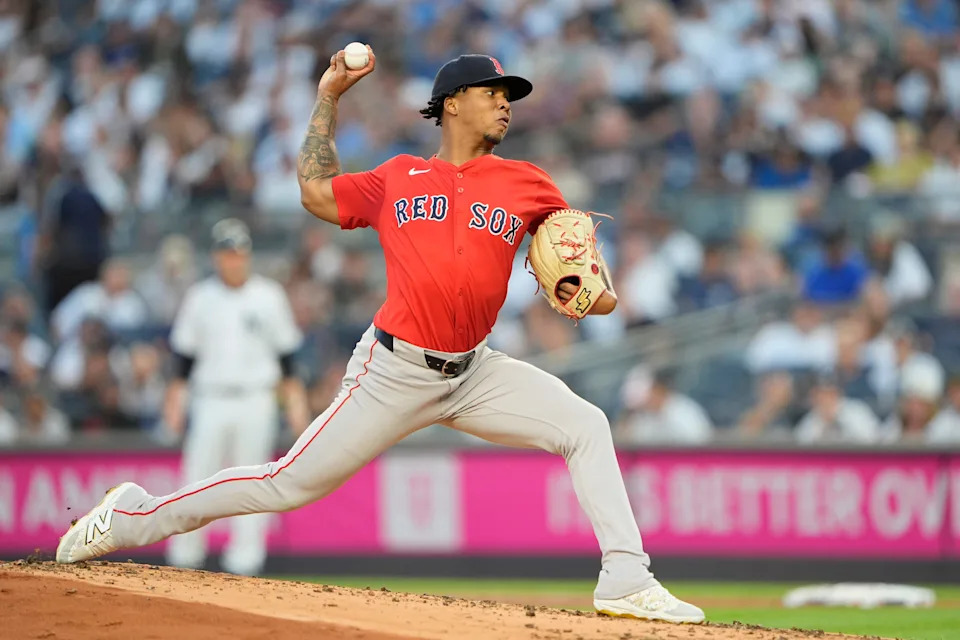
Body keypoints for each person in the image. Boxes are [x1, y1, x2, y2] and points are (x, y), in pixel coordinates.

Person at [56, 50, 704, 624]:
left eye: (510, 96)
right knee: (286, 484)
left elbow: (586, 281)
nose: (506, 104)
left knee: (585, 423)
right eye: (493, 93)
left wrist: (591, 292)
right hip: (393, 370)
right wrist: (328, 97)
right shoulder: (398, 177)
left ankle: (627, 575)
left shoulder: (528, 183)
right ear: (453, 104)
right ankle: (134, 515)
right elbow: (314, 192)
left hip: (475, 372)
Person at [158, 218, 310, 576]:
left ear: (248, 255)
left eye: (239, 253)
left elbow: (287, 361)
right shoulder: (200, 297)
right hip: (209, 397)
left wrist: (296, 408)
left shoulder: (268, 295)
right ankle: (184, 556)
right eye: (227, 253)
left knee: (253, 480)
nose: (234, 260)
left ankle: (246, 561)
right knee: (197, 477)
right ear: (216, 256)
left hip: (256, 398)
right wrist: (174, 403)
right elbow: (183, 360)